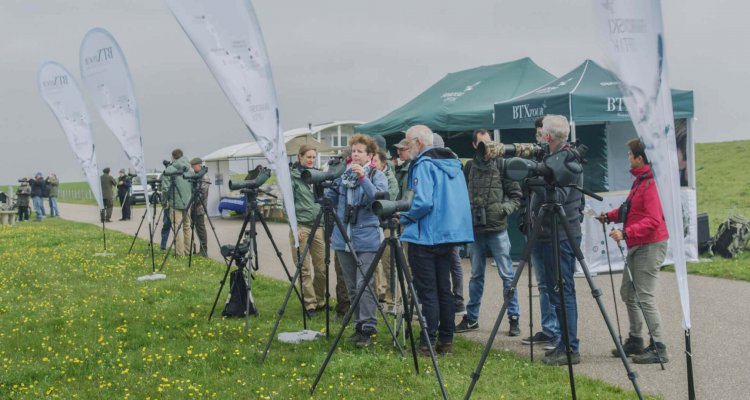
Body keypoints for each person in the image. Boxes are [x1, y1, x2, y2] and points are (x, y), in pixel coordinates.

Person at [400, 125, 473, 356]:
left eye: (408, 143)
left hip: (425, 236)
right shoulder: (453, 163)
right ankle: (446, 340)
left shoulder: (423, 164)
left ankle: (427, 341)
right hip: (448, 235)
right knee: (445, 291)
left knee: (428, 292)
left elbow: (422, 202)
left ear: (419, 142)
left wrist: (404, 216)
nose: (406, 147)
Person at [596, 138, 670, 364]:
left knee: (644, 295)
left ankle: (659, 347)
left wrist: (627, 233)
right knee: (628, 293)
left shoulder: (650, 184)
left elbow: (654, 220)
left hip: (650, 244)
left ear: (640, 158)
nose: (628, 157)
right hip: (639, 244)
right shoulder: (641, 180)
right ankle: (636, 340)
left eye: (630, 154)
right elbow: (631, 209)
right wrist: (609, 217)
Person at [526, 115, 585, 366]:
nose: (538, 137)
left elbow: (558, 196)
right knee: (553, 291)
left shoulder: (568, 160)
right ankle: (561, 342)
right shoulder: (550, 158)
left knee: (564, 292)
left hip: (561, 235)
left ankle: (571, 348)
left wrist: (535, 181)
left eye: (541, 133)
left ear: (547, 136)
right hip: (546, 234)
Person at [457, 128, 523, 336]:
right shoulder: (469, 167)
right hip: (475, 230)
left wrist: (503, 210)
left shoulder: (503, 164)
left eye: (489, 142)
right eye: (482, 144)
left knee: (507, 275)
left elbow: (516, 196)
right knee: (476, 275)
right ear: (475, 146)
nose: (487, 147)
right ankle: (472, 318)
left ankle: (514, 317)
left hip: (497, 228)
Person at [326, 134, 388, 348]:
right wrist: (324, 182)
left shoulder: (376, 175)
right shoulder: (343, 176)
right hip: (344, 238)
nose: (355, 154)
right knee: (352, 286)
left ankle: (369, 327)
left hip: (367, 238)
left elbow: (378, 199)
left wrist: (363, 178)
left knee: (364, 284)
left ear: (370, 155)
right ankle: (358, 325)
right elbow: (329, 201)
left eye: (360, 151)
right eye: (353, 151)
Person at [520, 116, 562, 350]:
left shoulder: (559, 160)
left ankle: (559, 332)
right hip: (534, 228)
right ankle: (549, 329)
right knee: (543, 285)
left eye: (541, 134)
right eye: (537, 134)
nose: (539, 139)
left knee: (555, 284)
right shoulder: (538, 158)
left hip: (552, 231)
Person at [289, 145, 327, 316]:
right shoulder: (293, 177)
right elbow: (288, 205)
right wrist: (294, 226)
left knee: (321, 268)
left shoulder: (317, 175)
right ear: (300, 157)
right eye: (308, 157)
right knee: (304, 268)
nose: (311, 160)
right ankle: (309, 304)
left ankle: (320, 301)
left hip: (318, 226)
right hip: (302, 226)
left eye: (313, 157)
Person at [373, 149, 400, 307]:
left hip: (386, 224)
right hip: (373, 224)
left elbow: (387, 202)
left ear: (383, 162)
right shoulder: (370, 176)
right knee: (374, 264)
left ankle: (392, 299)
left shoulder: (391, 180)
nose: (373, 164)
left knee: (388, 263)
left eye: (376, 161)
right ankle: (378, 294)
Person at [162, 149, 192, 256]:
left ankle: (179, 253)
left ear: (173, 157)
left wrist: (164, 201)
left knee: (177, 227)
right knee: (187, 226)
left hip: (175, 202)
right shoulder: (190, 169)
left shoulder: (170, 169)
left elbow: (165, 189)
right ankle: (188, 251)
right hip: (188, 202)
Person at [189, 158, 211, 257]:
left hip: (200, 207)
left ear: (199, 165)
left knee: (200, 229)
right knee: (193, 227)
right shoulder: (196, 175)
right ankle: (193, 249)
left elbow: (203, 194)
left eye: (194, 166)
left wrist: (193, 201)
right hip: (193, 206)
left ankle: (203, 250)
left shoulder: (204, 177)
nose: (193, 168)